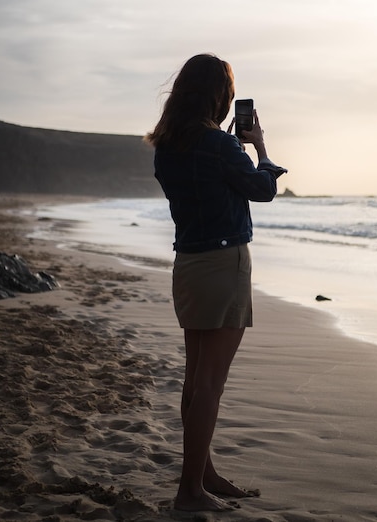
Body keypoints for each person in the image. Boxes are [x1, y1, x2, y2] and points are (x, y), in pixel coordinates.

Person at [145, 53, 286, 512]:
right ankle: (190, 491)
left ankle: (202, 474)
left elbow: (205, 182)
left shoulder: (167, 146)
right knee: (210, 384)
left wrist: (233, 150)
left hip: (187, 264)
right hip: (223, 264)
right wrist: (261, 151)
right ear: (219, 96)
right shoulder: (219, 146)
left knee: (195, 379)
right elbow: (262, 190)